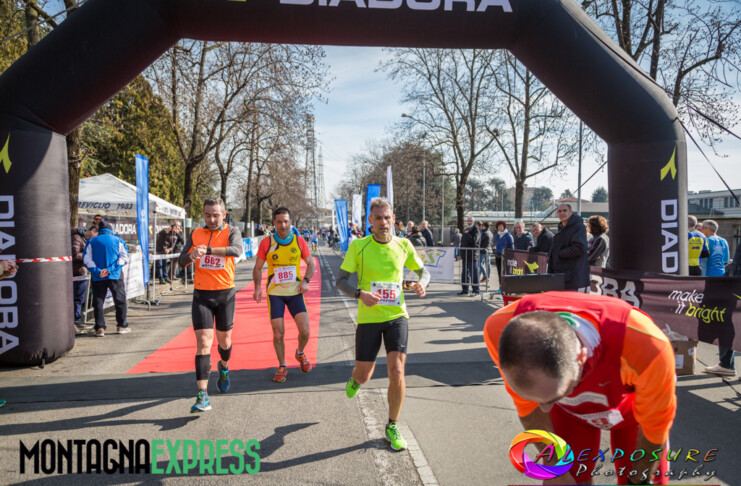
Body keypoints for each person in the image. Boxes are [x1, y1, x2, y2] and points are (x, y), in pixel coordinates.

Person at [484, 291, 676, 485]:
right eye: (535, 398)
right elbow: (528, 409)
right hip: (569, 413)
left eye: (553, 398)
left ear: (581, 357)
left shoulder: (648, 347)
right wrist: (554, 467)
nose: (544, 409)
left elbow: (654, 428)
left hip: (633, 414)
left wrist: (639, 480)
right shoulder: (499, 330)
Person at [336, 197, 430, 451]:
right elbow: (341, 281)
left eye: (387, 218)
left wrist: (422, 283)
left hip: (397, 316)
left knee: (397, 370)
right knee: (364, 374)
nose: (383, 223)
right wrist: (360, 294)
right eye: (378, 218)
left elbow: (424, 271)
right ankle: (356, 379)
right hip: (369, 318)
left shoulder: (404, 244)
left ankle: (392, 425)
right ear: (370, 220)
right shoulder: (359, 246)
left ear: (393, 219)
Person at [177, 197, 243, 413]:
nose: (212, 219)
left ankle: (224, 367)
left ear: (224, 214)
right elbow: (181, 261)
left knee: (225, 342)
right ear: (203, 215)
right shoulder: (196, 233)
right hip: (202, 295)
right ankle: (202, 394)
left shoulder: (232, 231)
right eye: (207, 215)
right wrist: (191, 255)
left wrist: (209, 251)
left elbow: (237, 251)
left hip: (225, 294)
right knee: (204, 341)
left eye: (216, 215)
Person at [253, 207, 315, 383]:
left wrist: (306, 281)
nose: (283, 225)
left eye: (286, 221)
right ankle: (282, 365)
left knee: (305, 331)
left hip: (295, 292)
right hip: (275, 294)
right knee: (278, 333)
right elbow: (257, 268)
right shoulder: (267, 243)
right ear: (274, 223)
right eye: (279, 222)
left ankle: (300, 353)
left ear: (291, 222)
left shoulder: (299, 241)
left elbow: (311, 264)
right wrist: (257, 287)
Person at [700, 219, 735, 378]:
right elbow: (727, 260)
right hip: (722, 276)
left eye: (702, 228)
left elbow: (703, 259)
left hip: (709, 277)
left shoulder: (706, 240)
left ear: (707, 228)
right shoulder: (724, 241)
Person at [83, 221, 130, 337]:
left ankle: (100, 327)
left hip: (98, 276)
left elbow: (86, 260)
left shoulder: (91, 241)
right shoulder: (118, 240)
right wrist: (110, 270)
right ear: (110, 230)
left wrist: (98, 271)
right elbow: (124, 258)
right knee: (120, 300)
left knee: (98, 301)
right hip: (115, 275)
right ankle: (121, 326)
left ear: (99, 230)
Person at [549, 204, 589, 291]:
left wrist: (560, 253)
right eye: (559, 211)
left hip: (571, 276)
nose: (562, 213)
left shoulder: (578, 226)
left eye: (564, 210)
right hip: (561, 275)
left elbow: (580, 248)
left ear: (571, 212)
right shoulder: (562, 227)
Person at [71, 224, 97, 332]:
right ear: (93, 230)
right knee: (76, 299)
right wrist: (88, 256)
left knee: (79, 299)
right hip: (76, 273)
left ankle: (77, 321)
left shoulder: (84, 239)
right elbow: (74, 254)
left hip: (80, 272)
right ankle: (74, 322)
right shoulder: (77, 237)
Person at [459, 216, 480, 296]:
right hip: (465, 255)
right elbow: (462, 242)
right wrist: (460, 253)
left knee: (474, 273)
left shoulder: (476, 230)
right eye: (468, 220)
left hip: (472, 255)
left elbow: (474, 241)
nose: (469, 222)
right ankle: (465, 290)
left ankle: (476, 290)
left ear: (473, 222)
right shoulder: (465, 230)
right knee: (465, 273)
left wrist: (467, 234)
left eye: (471, 221)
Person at [493, 220, 514, 292]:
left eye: (501, 226)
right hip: (498, 256)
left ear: (504, 227)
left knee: (505, 272)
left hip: (505, 256)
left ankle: (506, 288)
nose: (500, 228)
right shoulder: (497, 235)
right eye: (499, 226)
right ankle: (501, 287)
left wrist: (510, 255)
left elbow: (511, 246)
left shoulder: (508, 235)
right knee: (499, 272)